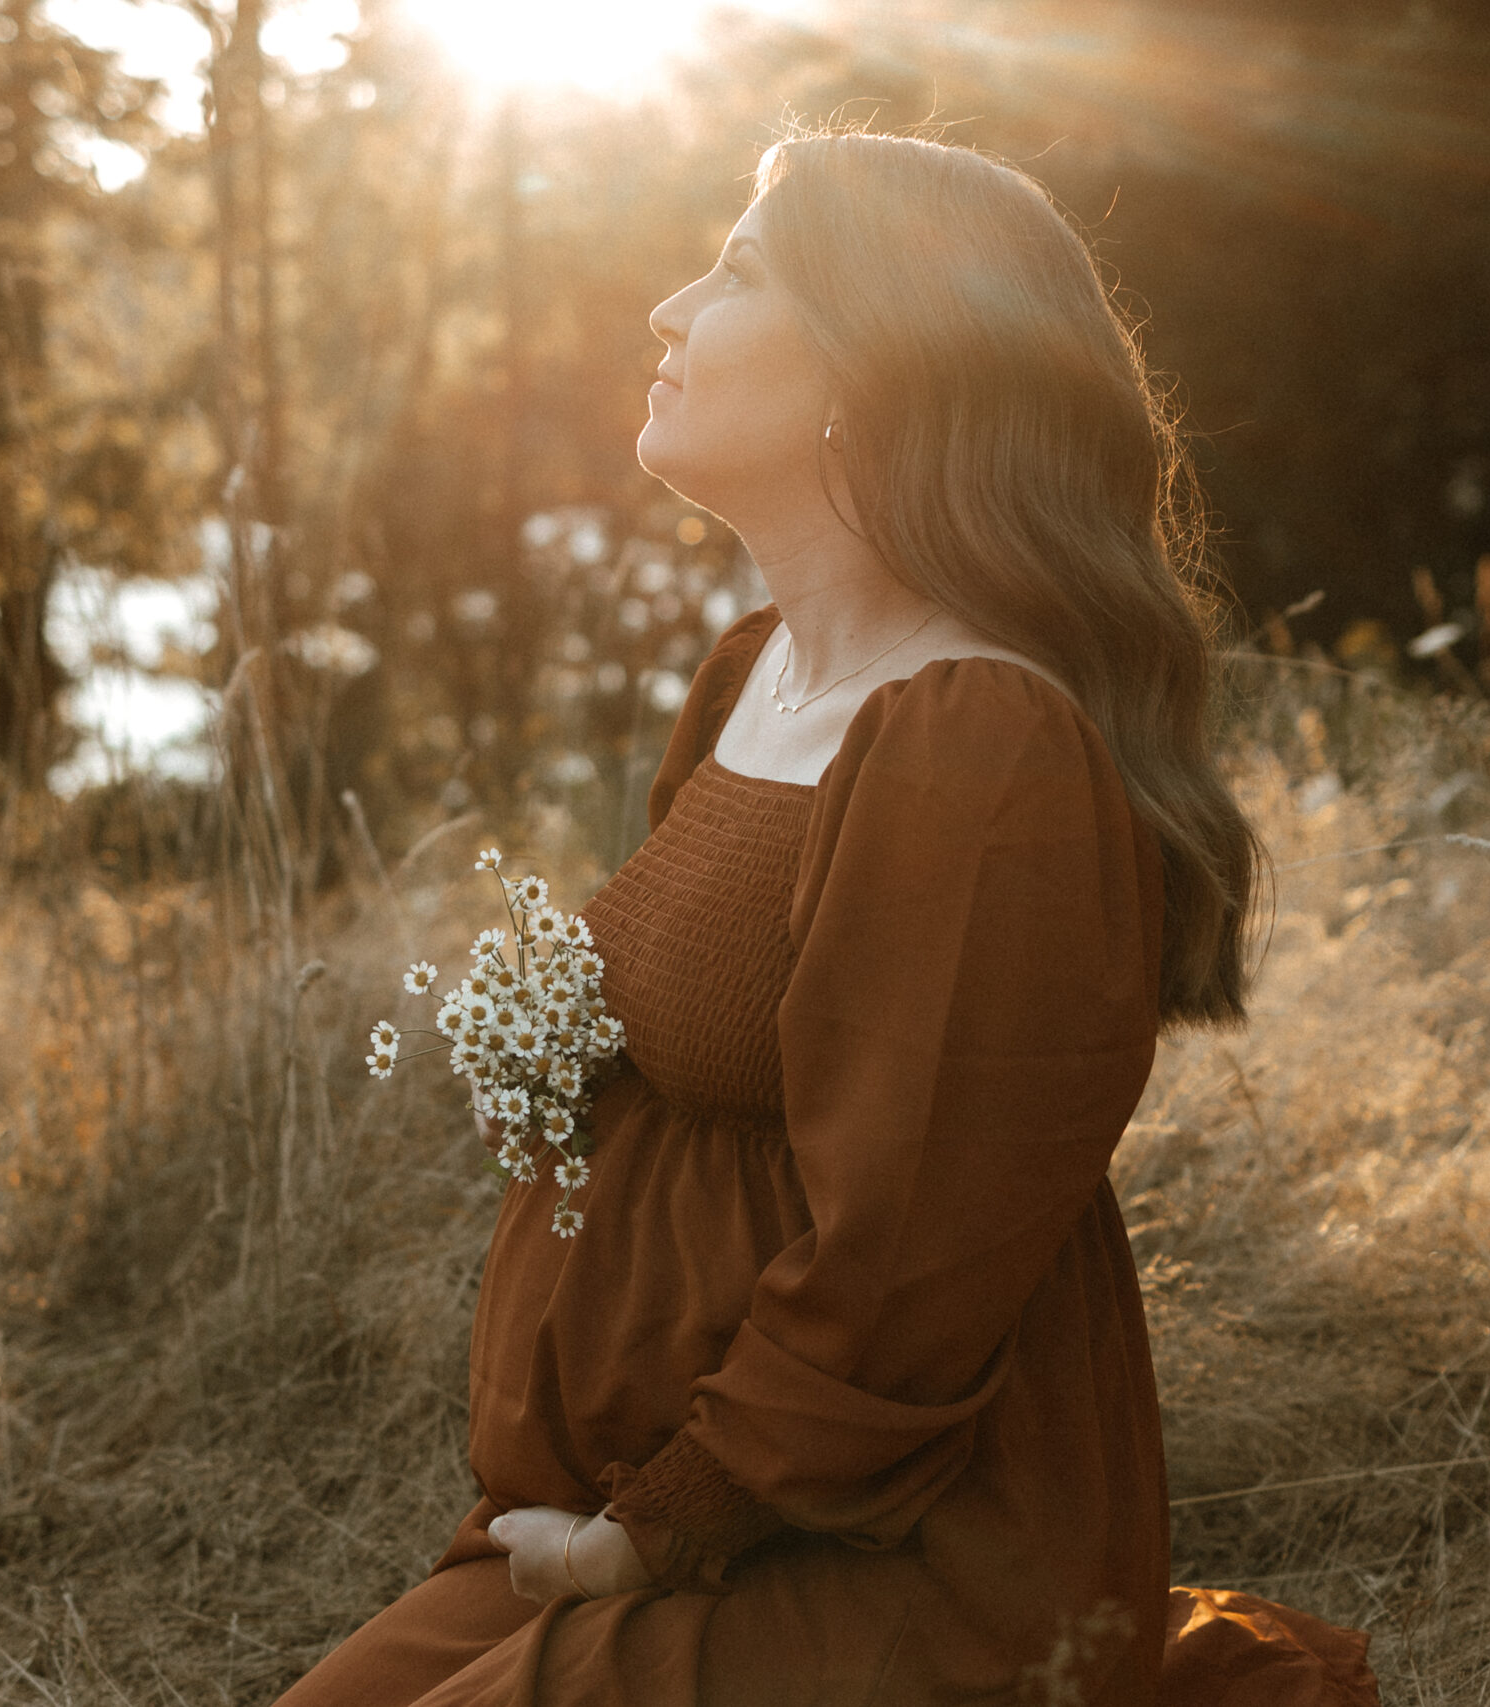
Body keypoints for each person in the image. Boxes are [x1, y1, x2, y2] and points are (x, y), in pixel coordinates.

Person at [275, 129, 1378, 1707]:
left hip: (888, 1543)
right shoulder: (751, 674)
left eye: (734, 270)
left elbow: (916, 1258)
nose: (665, 308)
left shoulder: (977, 746)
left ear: (885, 360)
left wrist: (666, 1524)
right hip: (652, 1492)